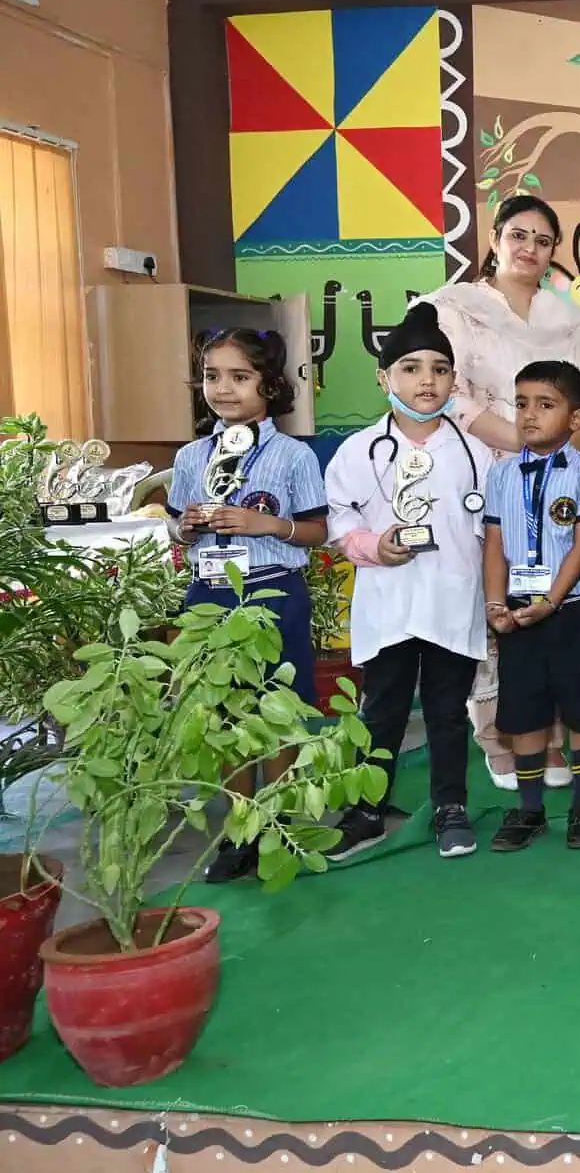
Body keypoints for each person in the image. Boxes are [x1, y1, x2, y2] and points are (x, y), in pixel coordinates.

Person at [424, 194, 580, 790]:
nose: (530, 249)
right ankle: (497, 734)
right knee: (492, 601)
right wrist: (522, 442)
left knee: (558, 603)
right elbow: (448, 393)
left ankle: (552, 739)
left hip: (561, 475)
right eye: (518, 235)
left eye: (543, 240)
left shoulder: (566, 319)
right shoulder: (455, 308)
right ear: (494, 240)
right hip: (481, 469)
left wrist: (565, 450)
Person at [323, 303, 493, 861]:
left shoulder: (474, 453)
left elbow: (490, 530)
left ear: (454, 381)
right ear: (384, 379)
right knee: (381, 711)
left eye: (440, 369)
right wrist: (374, 547)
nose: (427, 381)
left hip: (451, 598)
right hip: (389, 599)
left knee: (448, 712)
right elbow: (339, 520)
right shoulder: (358, 451)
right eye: (411, 368)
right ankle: (366, 811)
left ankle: (450, 807)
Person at [169, 328, 328, 884]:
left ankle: (275, 825)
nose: (223, 388)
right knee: (225, 713)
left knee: (276, 710)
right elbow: (175, 527)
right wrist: (187, 528)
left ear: (270, 385)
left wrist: (269, 525)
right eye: (211, 376)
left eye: (240, 376)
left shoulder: (293, 455)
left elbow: (317, 531)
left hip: (273, 590)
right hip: (209, 595)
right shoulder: (191, 456)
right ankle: (238, 830)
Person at [481, 360, 580, 852]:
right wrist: (496, 603)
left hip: (573, 610)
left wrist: (552, 601)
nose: (529, 414)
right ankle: (530, 809)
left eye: (545, 404)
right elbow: (495, 544)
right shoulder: (501, 474)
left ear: (575, 419)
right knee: (525, 711)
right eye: (521, 404)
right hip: (518, 613)